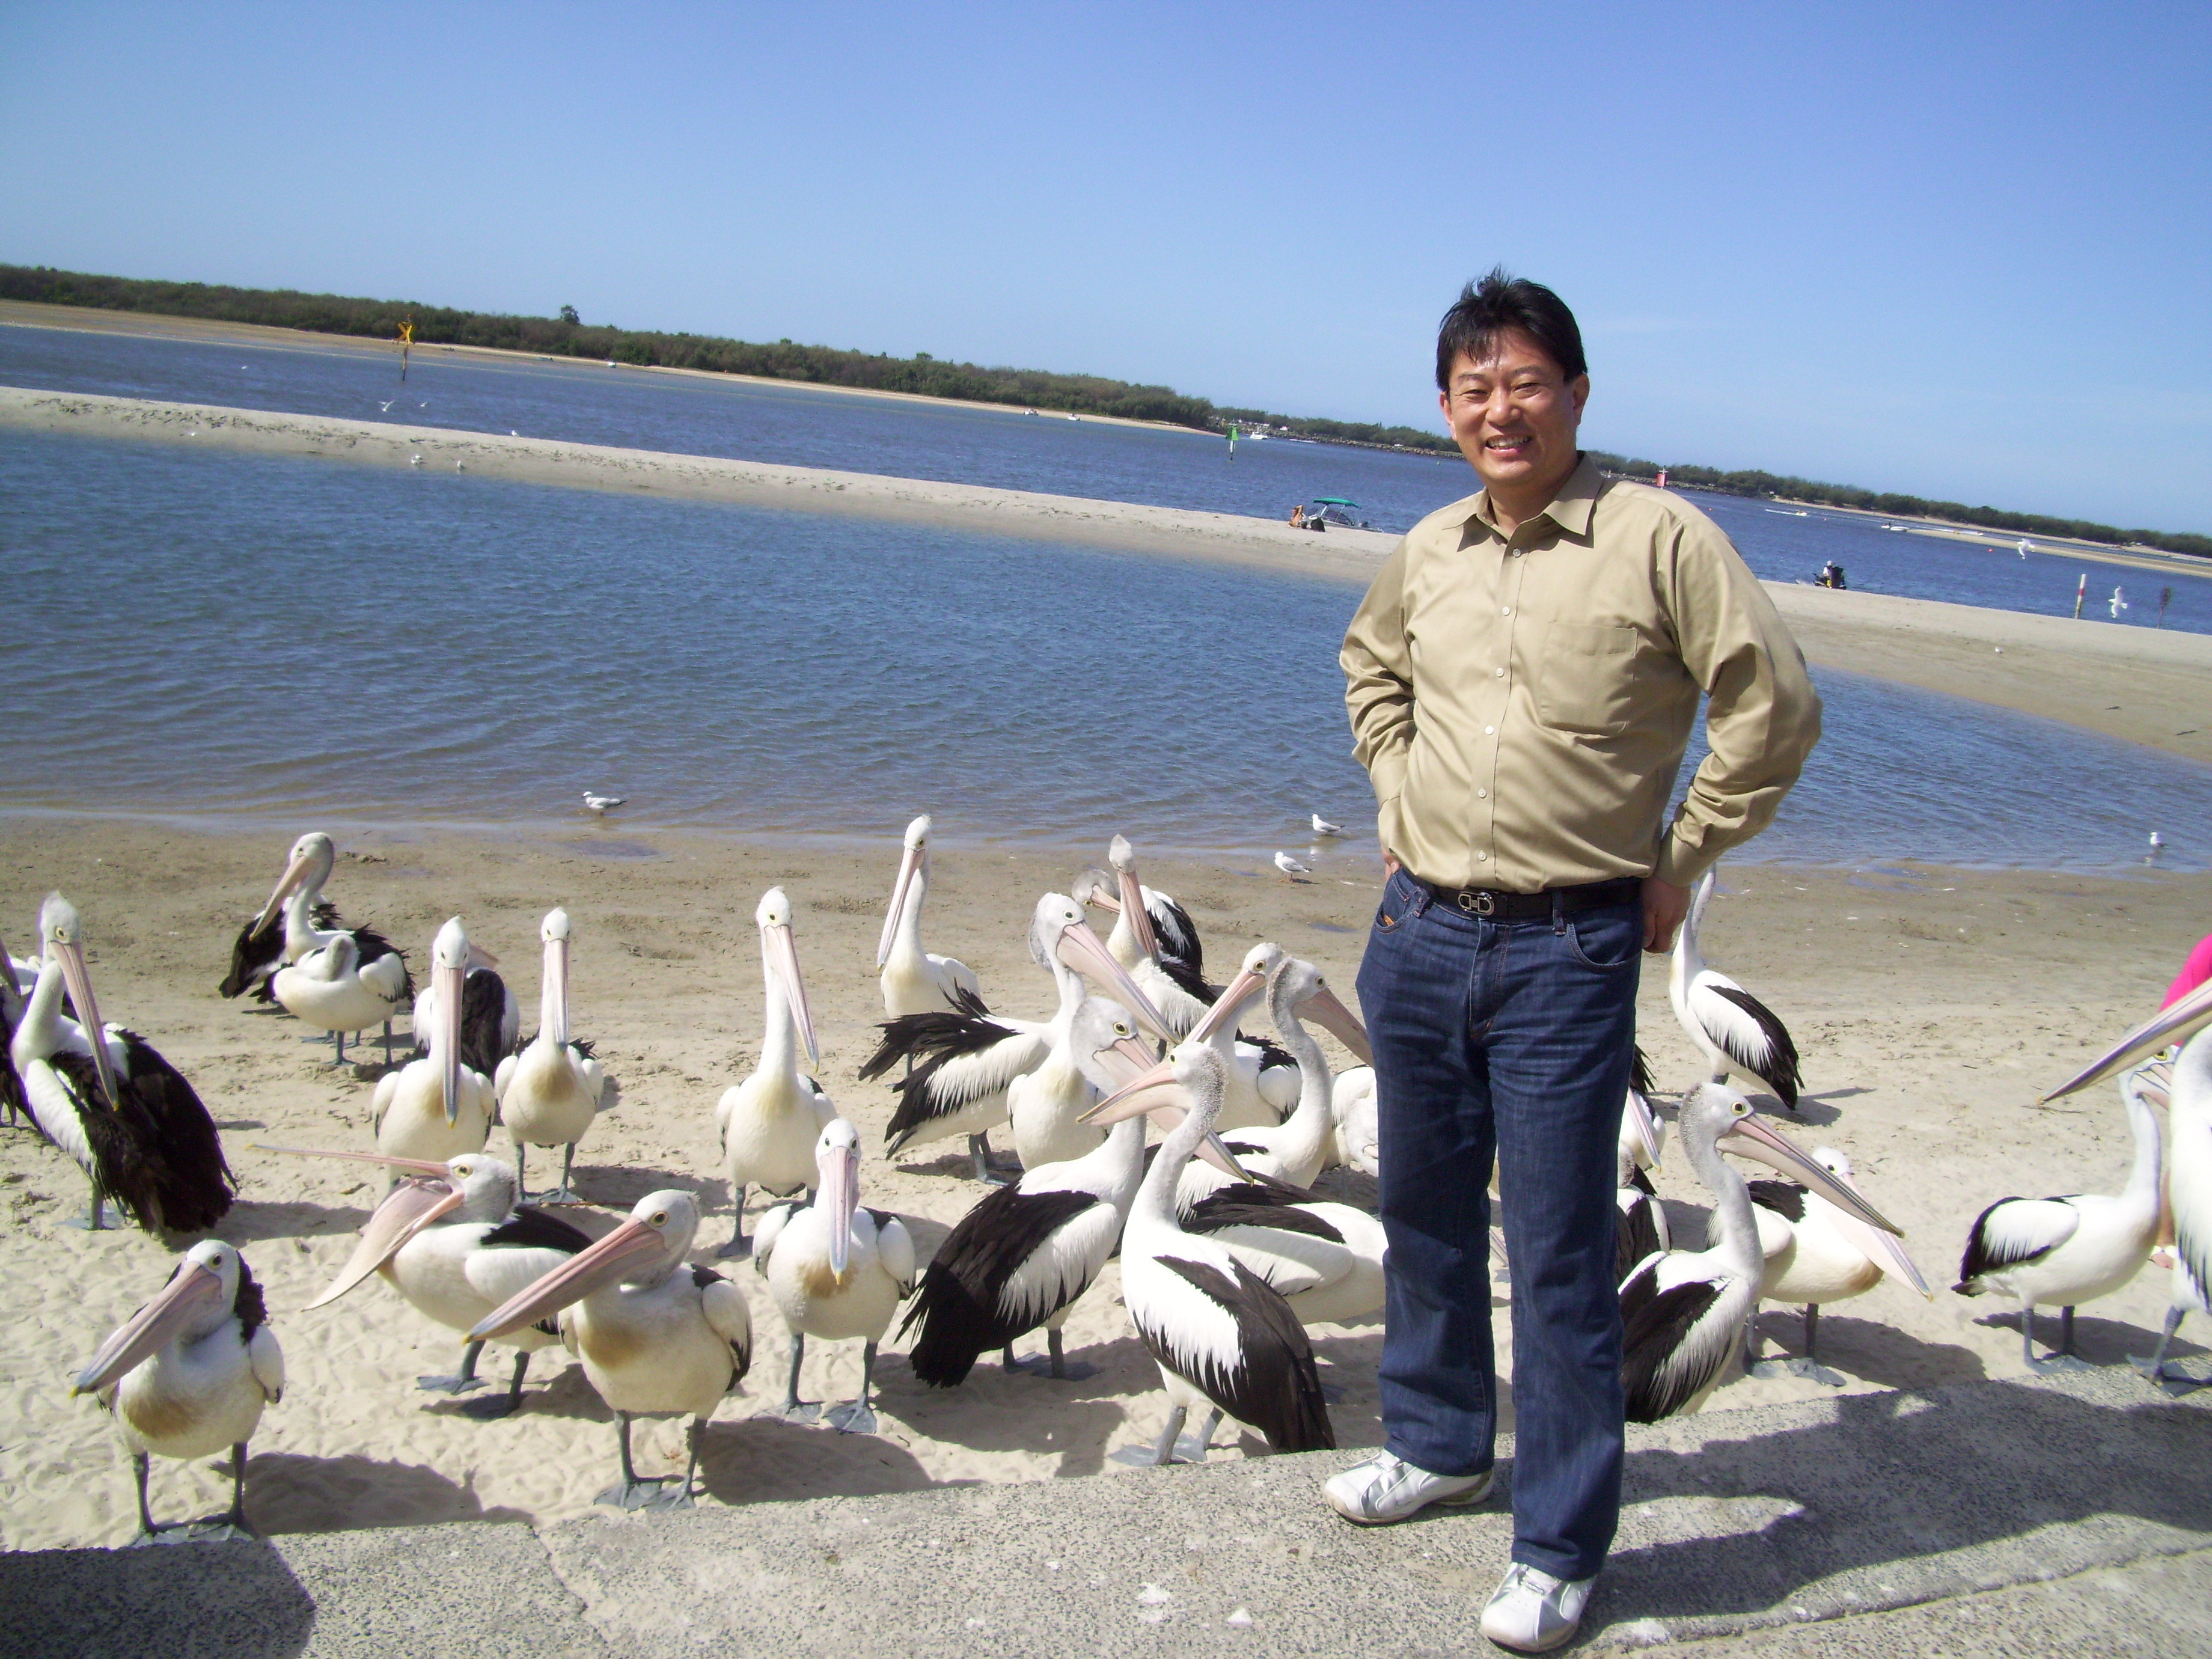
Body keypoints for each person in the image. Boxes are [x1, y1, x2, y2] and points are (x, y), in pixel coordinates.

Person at [1332, 269, 1822, 1652]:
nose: (1502, 410)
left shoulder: (1659, 539)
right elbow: (1369, 667)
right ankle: (1437, 1445)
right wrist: (1394, 790)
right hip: (1416, 932)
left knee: (1556, 1255)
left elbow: (1773, 708)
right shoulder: (1429, 547)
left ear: (1577, 395)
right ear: (1445, 408)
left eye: (1526, 384)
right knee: (1422, 1217)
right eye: (1474, 388)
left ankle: (1557, 1547)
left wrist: (1682, 859)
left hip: (1568, 946)